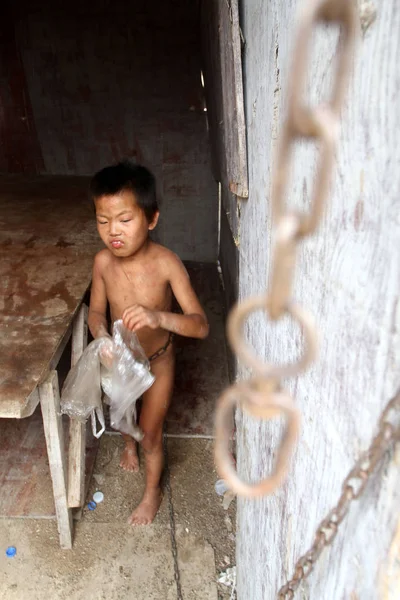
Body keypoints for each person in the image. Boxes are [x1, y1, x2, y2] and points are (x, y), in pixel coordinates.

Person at [87, 161, 209, 525]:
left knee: (151, 434)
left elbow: (200, 326)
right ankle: (127, 444)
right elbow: (95, 312)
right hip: (120, 360)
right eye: (102, 221)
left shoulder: (167, 263)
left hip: (158, 362)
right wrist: (102, 337)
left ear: (151, 218)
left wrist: (160, 318)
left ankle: (151, 492)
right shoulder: (103, 263)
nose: (113, 232)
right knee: (124, 419)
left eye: (125, 220)